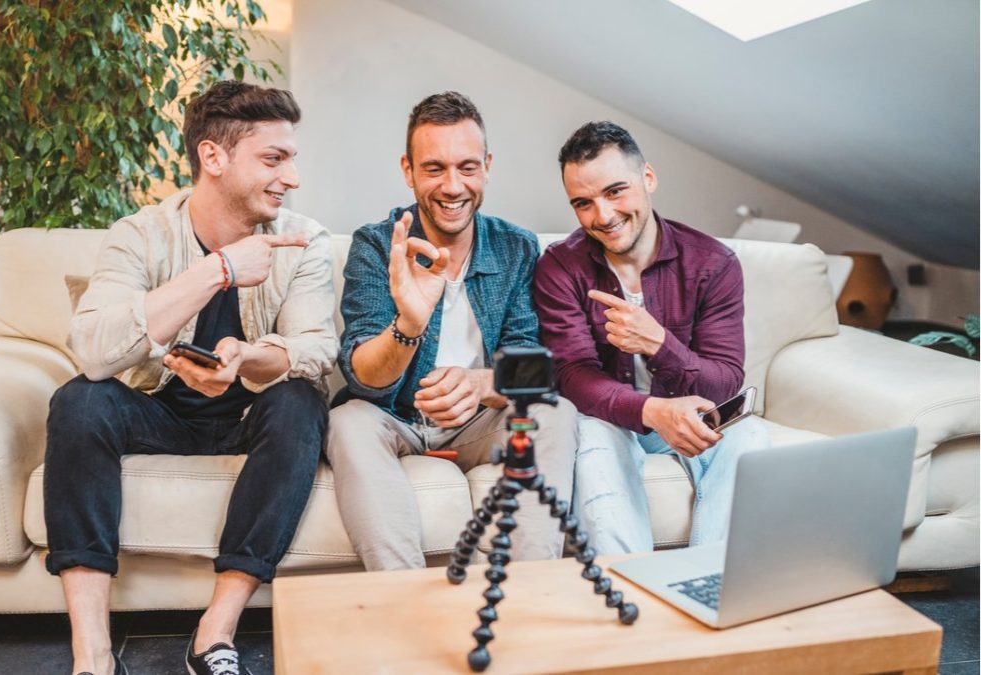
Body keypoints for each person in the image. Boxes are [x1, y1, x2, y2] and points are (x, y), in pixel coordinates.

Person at [43, 81, 337, 675]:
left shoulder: (303, 242)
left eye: (292, 159)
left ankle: (215, 633)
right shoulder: (139, 235)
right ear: (213, 157)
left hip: (247, 416)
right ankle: (93, 656)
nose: (293, 178)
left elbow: (315, 350)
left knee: (302, 400)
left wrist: (245, 361)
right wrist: (218, 271)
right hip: (154, 410)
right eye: (274, 160)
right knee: (78, 401)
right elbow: (95, 351)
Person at [325, 91, 578, 571]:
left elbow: (531, 361)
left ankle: (528, 594)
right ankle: (403, 599)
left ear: (486, 166)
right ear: (409, 170)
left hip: (482, 423)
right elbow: (363, 380)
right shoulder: (377, 245)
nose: (452, 186)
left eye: (466, 167)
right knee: (347, 420)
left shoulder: (516, 247)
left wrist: (482, 383)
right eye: (434, 168)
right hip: (397, 418)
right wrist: (409, 324)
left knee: (556, 412)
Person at [533, 121, 770, 555]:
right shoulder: (560, 266)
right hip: (609, 420)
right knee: (593, 437)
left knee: (750, 439)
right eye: (583, 203)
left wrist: (660, 344)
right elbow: (571, 377)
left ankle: (710, 582)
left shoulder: (713, 264)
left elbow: (723, 382)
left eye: (615, 191)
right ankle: (628, 588)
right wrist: (652, 410)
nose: (602, 216)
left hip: (690, 414)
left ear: (648, 178)